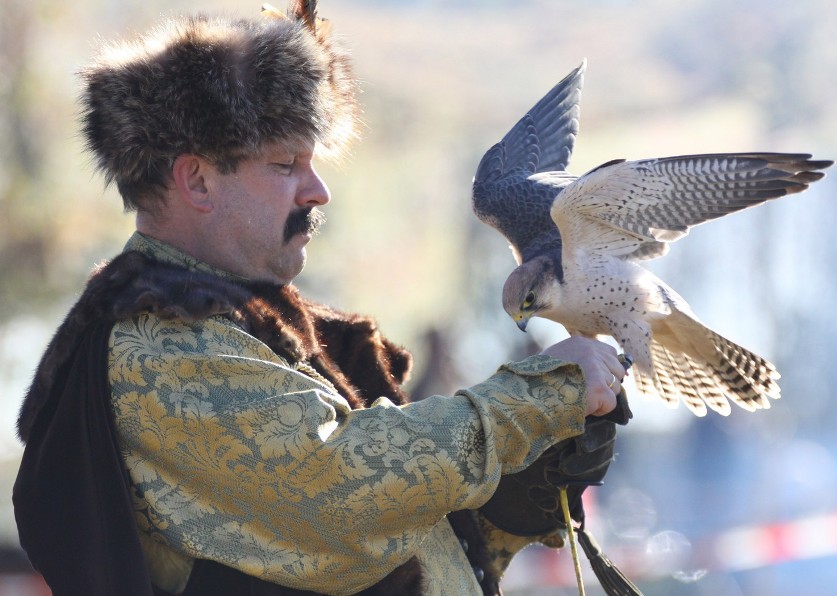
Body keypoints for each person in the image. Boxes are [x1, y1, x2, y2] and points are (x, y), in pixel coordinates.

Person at [13, 4, 629, 595]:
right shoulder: (160, 343)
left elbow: (393, 544)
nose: (319, 190)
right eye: (286, 165)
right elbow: (340, 495)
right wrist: (540, 397)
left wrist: (509, 500)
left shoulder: (256, 329)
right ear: (196, 179)